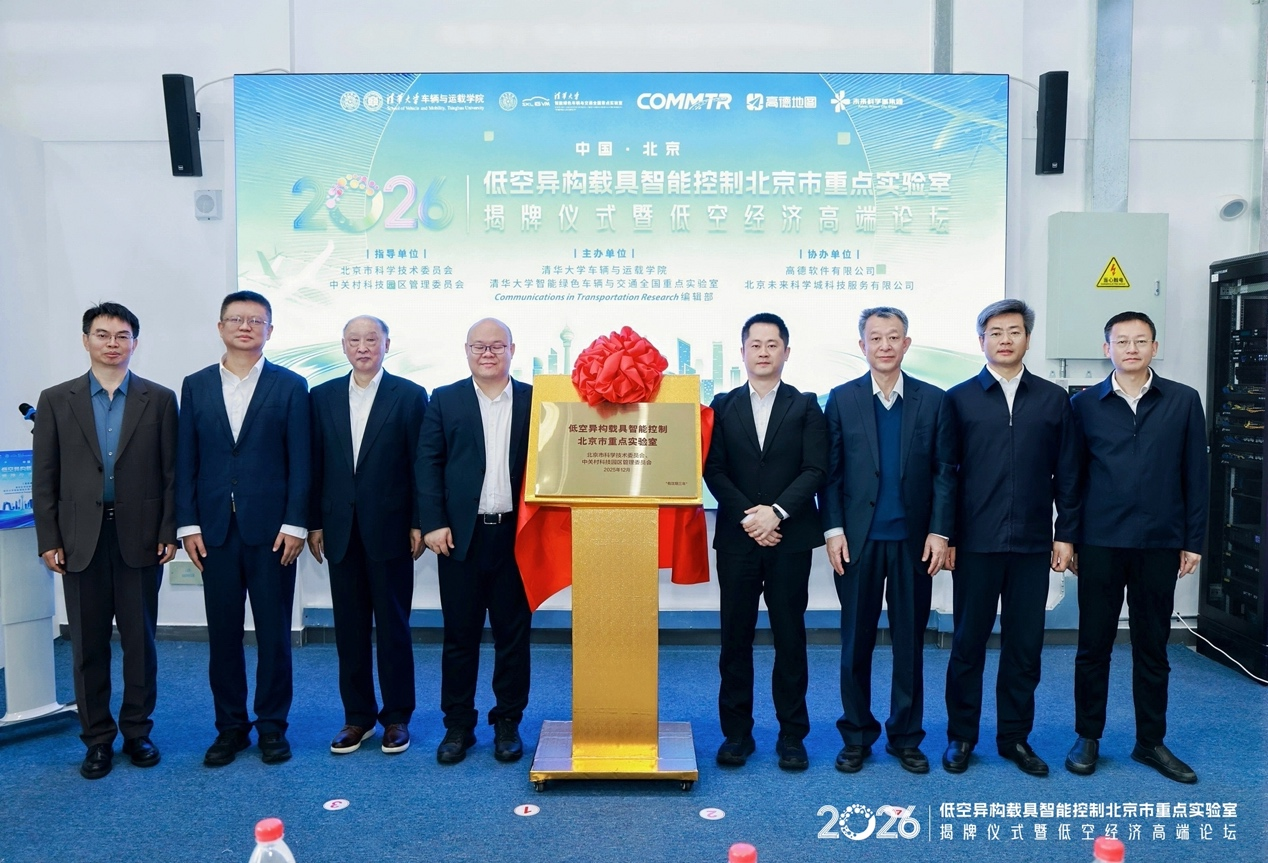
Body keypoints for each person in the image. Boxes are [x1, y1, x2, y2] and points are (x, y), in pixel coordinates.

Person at [32, 302, 178, 779]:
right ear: (86, 340)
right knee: (88, 646)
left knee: (140, 643)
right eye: (102, 334)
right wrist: (49, 537)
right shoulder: (57, 399)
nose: (112, 343)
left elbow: (171, 474)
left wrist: (168, 531)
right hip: (80, 539)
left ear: (135, 342)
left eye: (121, 336)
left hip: (140, 537)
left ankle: (137, 731)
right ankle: (97, 739)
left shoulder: (159, 399)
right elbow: (45, 476)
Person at [1065, 311, 1207, 783]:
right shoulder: (1084, 405)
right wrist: (1070, 537)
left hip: (1159, 542)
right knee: (1093, 646)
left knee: (1153, 647)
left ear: (1154, 347)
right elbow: (1072, 478)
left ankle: (1150, 742)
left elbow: (1196, 475)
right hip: (1100, 542)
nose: (1131, 349)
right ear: (1106, 348)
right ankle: (1088, 736)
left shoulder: (1183, 400)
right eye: (1121, 341)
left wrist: (1193, 540)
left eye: (1140, 341)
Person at [941, 298, 1079, 776]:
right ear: (981, 340)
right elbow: (946, 474)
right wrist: (947, 535)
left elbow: (1068, 473)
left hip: (1032, 542)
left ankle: (1015, 738)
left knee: (1024, 646)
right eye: (995, 332)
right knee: (968, 644)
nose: (1005, 340)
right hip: (975, 543)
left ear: (1027, 339)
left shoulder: (1053, 400)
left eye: (1014, 331)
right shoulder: (958, 399)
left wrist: (1065, 533)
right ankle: (961, 735)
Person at [176, 290, 310, 767]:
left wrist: (296, 524)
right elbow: (186, 458)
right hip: (214, 532)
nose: (246, 327)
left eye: (256, 320)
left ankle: (272, 726)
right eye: (236, 319)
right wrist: (187, 523)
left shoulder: (290, 385)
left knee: (274, 635)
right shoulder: (196, 385)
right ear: (221, 327)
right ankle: (230, 727)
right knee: (223, 636)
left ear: (270, 330)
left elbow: (302, 461)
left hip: (274, 533)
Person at [819, 307, 954, 775]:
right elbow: (831, 474)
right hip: (857, 542)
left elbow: (944, 472)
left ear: (906, 344)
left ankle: (905, 737)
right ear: (862, 346)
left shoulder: (933, 400)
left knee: (909, 645)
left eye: (893, 337)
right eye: (875, 338)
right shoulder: (841, 399)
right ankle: (856, 735)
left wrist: (940, 530)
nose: (884, 345)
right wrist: (833, 530)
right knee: (854, 643)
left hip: (914, 542)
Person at [703, 313, 827, 771]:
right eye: (754, 344)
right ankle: (737, 734)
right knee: (734, 639)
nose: (763, 352)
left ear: (786, 352)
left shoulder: (806, 405)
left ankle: (792, 735)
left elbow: (815, 468)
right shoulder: (721, 405)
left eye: (772, 344)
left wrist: (775, 513)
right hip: (739, 541)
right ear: (742, 352)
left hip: (788, 540)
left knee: (789, 638)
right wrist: (750, 517)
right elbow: (713, 469)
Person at [309, 316, 428, 756]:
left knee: (394, 626)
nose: (363, 347)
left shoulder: (410, 395)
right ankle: (357, 717)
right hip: (339, 530)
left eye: (371, 339)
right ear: (343, 346)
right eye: (354, 340)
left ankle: (396, 717)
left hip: (391, 528)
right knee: (350, 629)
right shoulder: (320, 396)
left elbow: (420, 465)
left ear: (386, 344)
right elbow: (314, 465)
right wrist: (314, 523)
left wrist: (419, 521)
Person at [416, 318, 532, 764]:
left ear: (512, 349)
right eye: (479, 346)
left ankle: (508, 722)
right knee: (459, 636)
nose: (488, 353)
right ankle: (458, 725)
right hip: (459, 537)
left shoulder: (534, 400)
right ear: (466, 351)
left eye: (496, 346)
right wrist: (433, 523)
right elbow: (428, 464)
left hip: (515, 536)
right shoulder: (444, 399)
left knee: (512, 636)